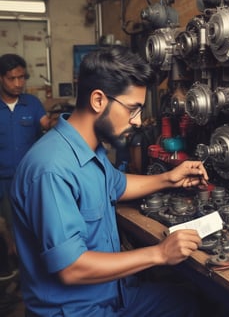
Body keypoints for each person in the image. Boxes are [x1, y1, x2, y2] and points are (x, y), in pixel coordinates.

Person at [11, 45, 209, 317]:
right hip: (76, 310)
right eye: (132, 109)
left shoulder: (89, 148)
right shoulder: (50, 169)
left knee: (187, 301)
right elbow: (72, 268)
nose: (138, 121)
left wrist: (169, 179)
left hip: (114, 294)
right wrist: (159, 254)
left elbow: (117, 183)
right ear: (98, 100)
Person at [0, 53, 50, 271]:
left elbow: (47, 126)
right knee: (10, 230)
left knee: (36, 227)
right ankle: (15, 273)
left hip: (30, 179)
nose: (19, 83)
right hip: (3, 182)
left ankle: (35, 273)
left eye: (22, 78)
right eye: (12, 78)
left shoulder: (32, 103)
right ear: (1, 78)